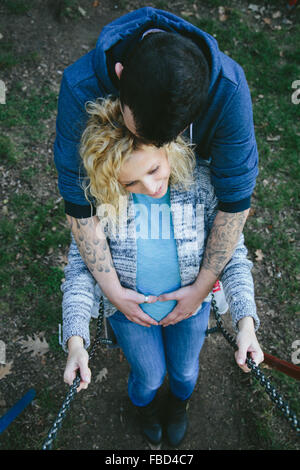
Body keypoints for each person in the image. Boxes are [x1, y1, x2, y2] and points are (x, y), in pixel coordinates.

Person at [62, 97, 264, 447]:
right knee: (149, 377)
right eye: (130, 183)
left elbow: (232, 254)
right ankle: (147, 408)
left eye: (154, 170)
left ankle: (179, 406)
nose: (151, 187)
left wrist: (246, 323)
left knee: (185, 373)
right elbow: (82, 269)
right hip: (131, 316)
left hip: (192, 310)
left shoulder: (200, 186)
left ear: (168, 149)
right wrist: (76, 343)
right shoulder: (104, 203)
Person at [54, 7, 259, 333]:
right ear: (119, 75)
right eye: (138, 136)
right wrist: (113, 291)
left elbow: (235, 201)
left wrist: (201, 287)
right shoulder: (81, 86)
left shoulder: (228, 91)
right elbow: (79, 200)